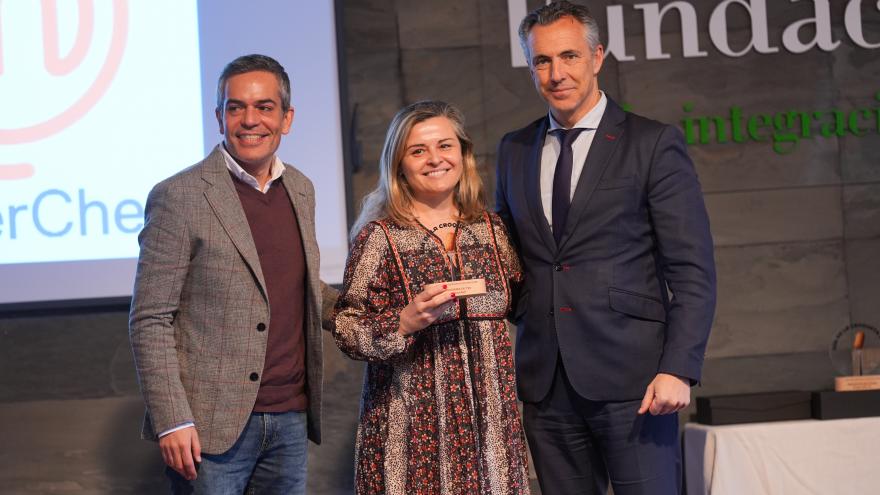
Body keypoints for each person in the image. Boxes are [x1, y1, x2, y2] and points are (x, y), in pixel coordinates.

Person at [495, 2, 717, 494]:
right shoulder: (513, 150)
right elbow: (506, 259)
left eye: (569, 56)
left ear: (598, 57)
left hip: (637, 384)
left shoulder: (652, 143)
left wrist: (678, 367)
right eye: (542, 61)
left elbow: (693, 271)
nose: (557, 73)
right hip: (546, 385)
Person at [129, 54, 336, 494]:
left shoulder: (301, 188)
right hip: (208, 430)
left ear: (287, 118)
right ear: (219, 117)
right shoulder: (178, 196)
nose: (249, 120)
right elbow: (150, 319)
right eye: (235, 107)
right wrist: (173, 420)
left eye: (264, 107)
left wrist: (374, 307)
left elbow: (296, 283)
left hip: (290, 420)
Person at [333, 100, 530, 495]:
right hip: (412, 434)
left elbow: (523, 301)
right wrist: (401, 322)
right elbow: (346, 324)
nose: (434, 159)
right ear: (399, 164)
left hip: (490, 433)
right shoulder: (381, 237)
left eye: (445, 146)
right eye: (418, 150)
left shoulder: (492, 230)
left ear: (463, 153)